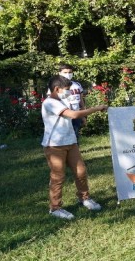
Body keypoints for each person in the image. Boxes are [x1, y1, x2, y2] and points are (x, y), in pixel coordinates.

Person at [42, 75, 108, 220]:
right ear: (56, 89)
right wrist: (97, 108)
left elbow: (77, 105)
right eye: (66, 90)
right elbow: (73, 114)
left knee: (81, 171)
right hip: (54, 146)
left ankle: (84, 198)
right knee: (58, 177)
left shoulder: (61, 99)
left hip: (71, 142)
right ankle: (55, 208)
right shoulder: (50, 103)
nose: (68, 93)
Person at [57, 64, 86, 140]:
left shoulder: (77, 85)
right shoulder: (55, 85)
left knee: (75, 135)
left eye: (70, 72)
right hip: (63, 116)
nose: (68, 74)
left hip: (76, 115)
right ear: (59, 73)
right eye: (65, 72)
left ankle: (75, 151)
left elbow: (81, 101)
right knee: (64, 137)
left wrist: (83, 116)